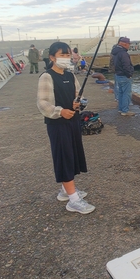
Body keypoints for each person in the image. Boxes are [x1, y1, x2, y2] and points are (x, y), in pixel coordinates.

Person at [37, 41, 95, 214]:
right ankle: (73, 200)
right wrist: (60, 112)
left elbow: (79, 95)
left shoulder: (70, 75)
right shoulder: (47, 76)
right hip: (58, 125)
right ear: (52, 57)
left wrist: (79, 103)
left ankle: (65, 190)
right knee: (64, 156)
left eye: (67, 55)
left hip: (73, 122)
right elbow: (42, 103)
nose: (66, 58)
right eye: (62, 55)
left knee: (73, 155)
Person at [111, 37, 135, 116]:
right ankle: (125, 111)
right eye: (128, 44)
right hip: (124, 76)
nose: (129, 46)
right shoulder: (124, 53)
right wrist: (129, 75)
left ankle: (121, 109)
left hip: (118, 75)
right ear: (124, 44)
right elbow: (126, 66)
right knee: (126, 94)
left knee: (121, 93)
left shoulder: (115, 52)